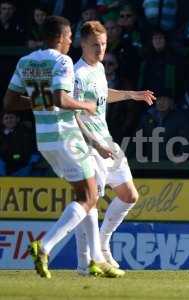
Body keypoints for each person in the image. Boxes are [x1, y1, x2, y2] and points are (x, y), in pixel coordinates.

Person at [2, 15, 122, 279]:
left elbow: (9, 102)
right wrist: (86, 105)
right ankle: (45, 246)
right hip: (67, 135)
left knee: (86, 195)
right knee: (90, 196)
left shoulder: (26, 61)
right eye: (68, 37)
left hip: (44, 139)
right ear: (59, 38)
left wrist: (39, 101)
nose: (70, 42)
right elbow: (61, 98)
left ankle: (94, 260)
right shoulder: (62, 61)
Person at [73, 20, 155, 274]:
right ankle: (83, 262)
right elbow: (72, 115)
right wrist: (94, 143)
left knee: (130, 195)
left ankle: (104, 242)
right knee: (89, 203)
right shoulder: (77, 74)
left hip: (106, 141)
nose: (100, 50)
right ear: (82, 44)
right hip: (89, 146)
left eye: (104, 44)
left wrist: (130, 94)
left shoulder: (98, 68)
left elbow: (102, 94)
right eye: (95, 45)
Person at [0, 111, 39, 176]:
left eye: (11, 117)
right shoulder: (1, 134)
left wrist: (31, 161)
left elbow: (33, 148)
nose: (9, 120)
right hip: (5, 165)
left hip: (24, 165)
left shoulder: (26, 132)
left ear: (17, 119)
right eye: (6, 118)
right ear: (2, 121)